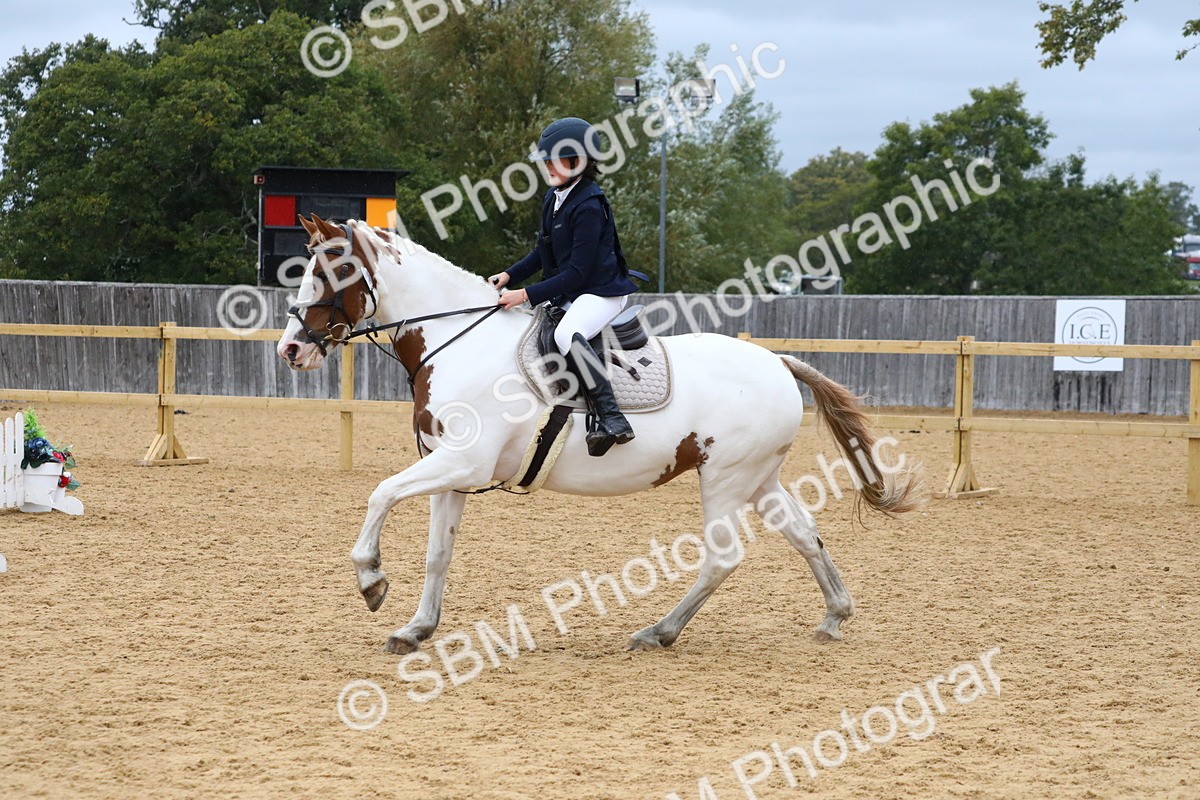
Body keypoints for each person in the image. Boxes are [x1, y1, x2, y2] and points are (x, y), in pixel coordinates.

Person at [489, 117, 639, 457]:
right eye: (545, 160)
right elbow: (543, 252)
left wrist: (524, 295)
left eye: (553, 159)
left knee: (565, 333)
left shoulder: (588, 205)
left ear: (578, 161)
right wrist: (509, 276)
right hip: (577, 289)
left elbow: (575, 273)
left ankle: (613, 418)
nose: (546, 167)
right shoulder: (555, 197)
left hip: (603, 291)